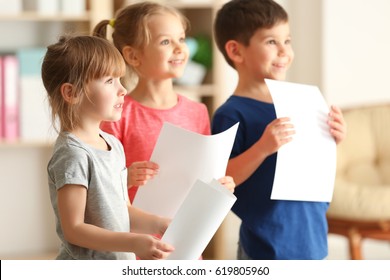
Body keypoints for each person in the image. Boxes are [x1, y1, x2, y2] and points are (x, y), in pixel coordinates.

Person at [212, 0, 347, 260]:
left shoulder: (302, 102)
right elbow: (221, 179)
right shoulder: (231, 114)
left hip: (311, 235)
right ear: (236, 51)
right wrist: (262, 148)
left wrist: (334, 138)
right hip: (265, 244)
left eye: (287, 41)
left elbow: (312, 163)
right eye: (272, 42)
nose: (284, 51)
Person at [42, 35, 174, 260]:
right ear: (71, 93)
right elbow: (74, 229)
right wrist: (133, 242)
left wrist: (158, 224)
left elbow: (121, 211)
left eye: (120, 80)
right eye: (109, 81)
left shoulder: (112, 144)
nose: (122, 90)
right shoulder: (73, 154)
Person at [93, 1, 235, 204]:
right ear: (133, 55)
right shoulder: (118, 115)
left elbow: (204, 177)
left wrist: (220, 186)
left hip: (186, 231)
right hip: (133, 234)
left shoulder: (197, 111)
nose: (180, 48)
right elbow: (99, 184)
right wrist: (127, 179)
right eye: (166, 42)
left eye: (181, 39)